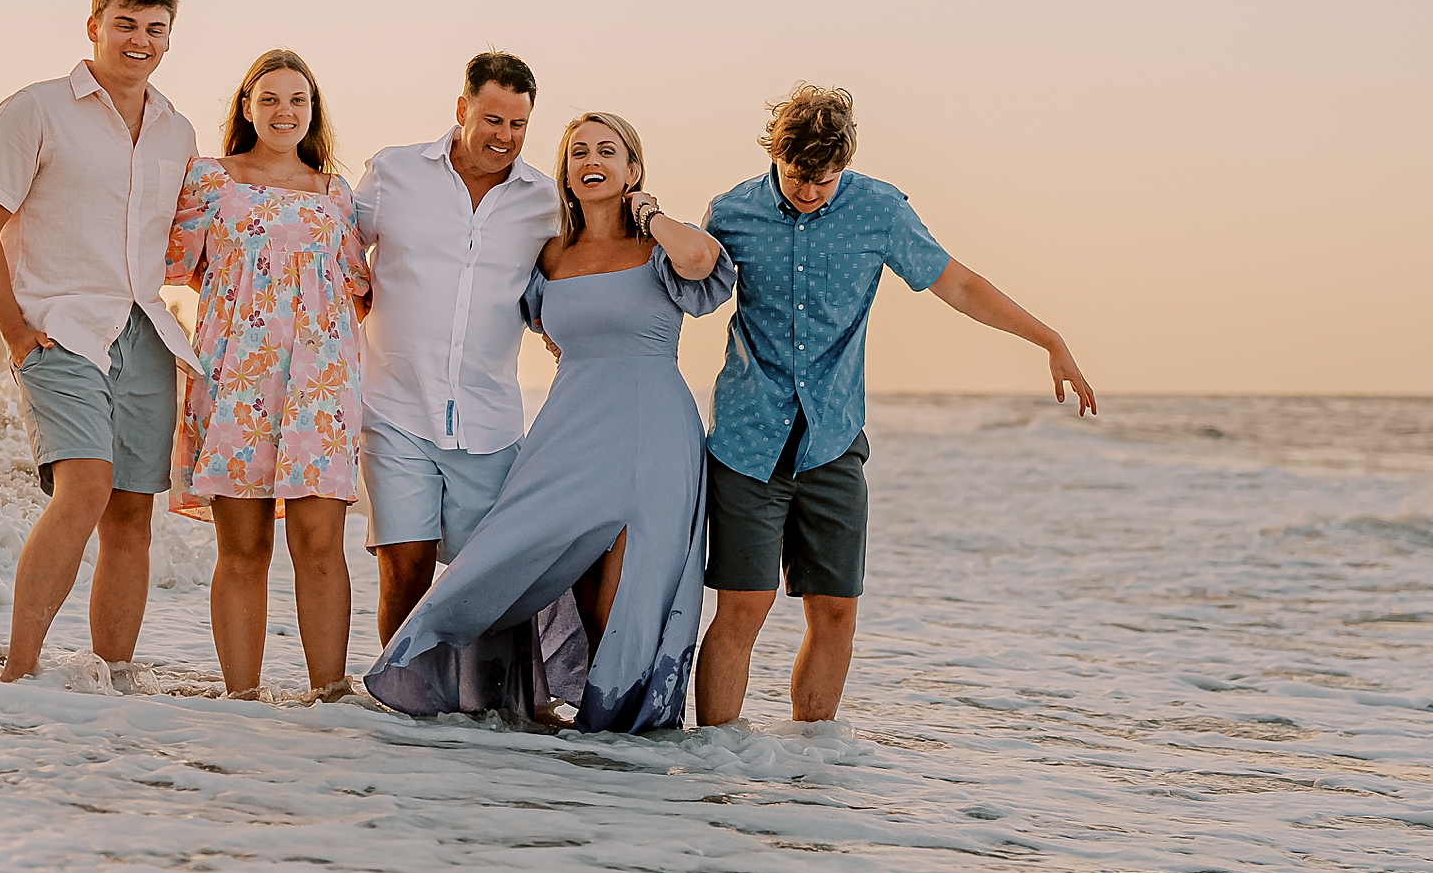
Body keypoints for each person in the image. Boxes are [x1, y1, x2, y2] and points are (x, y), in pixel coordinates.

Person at [695, 84, 1097, 726]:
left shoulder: (879, 210)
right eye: (798, 177)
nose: (809, 192)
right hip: (748, 440)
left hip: (832, 440)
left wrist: (1048, 339)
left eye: (824, 181)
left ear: (844, 166)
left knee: (835, 610)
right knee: (743, 607)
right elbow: (688, 289)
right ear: (775, 154)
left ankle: (811, 776)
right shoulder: (732, 212)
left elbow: (957, 282)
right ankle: (712, 779)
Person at [365, 113, 734, 733]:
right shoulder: (553, 253)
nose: (592, 161)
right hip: (569, 428)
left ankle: (614, 734)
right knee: (523, 557)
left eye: (608, 152)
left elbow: (701, 260)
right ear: (565, 172)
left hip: (653, 431)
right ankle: (433, 679)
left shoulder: (657, 247)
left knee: (630, 585)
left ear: (632, 168)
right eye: (578, 153)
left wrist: (649, 212)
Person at [0, 0, 200, 684]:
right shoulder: (35, 110)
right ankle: (19, 673)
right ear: (94, 26)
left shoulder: (176, 129)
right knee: (86, 489)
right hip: (59, 327)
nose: (140, 40)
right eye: (125, 24)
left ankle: (112, 679)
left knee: (132, 517)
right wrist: (14, 332)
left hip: (146, 332)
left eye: (155, 29)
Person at [166, 50, 369, 701]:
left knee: (320, 546)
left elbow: (360, 289)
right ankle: (242, 704)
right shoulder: (209, 181)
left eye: (298, 100)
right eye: (271, 99)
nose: (285, 112)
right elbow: (167, 264)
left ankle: (332, 699)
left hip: (321, 388)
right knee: (244, 548)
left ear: (313, 111)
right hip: (235, 382)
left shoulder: (336, 193)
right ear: (247, 106)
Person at [353, 52, 561, 646]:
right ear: (462, 108)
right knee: (405, 567)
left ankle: (484, 723)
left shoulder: (543, 201)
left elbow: (566, 281)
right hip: (395, 405)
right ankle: (399, 703)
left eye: (518, 125)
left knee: (491, 579)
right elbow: (335, 255)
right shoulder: (393, 173)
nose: (505, 138)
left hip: (490, 418)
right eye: (493, 120)